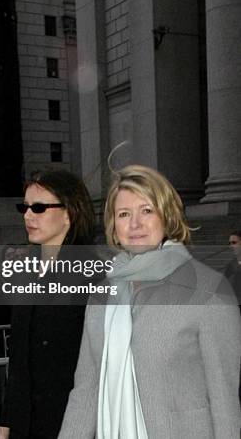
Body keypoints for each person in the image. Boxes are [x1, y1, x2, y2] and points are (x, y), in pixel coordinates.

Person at [59, 165, 241, 438]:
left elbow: (225, 400)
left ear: (167, 217)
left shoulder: (209, 289)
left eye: (147, 210)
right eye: (124, 214)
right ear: (113, 226)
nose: (135, 224)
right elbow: (86, 390)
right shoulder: (102, 295)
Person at [0, 170, 96, 439]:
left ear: (69, 213)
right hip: (25, 424)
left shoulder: (94, 275)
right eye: (25, 207)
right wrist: (6, 426)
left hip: (74, 423)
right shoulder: (24, 271)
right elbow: (19, 360)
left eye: (39, 208)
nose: (28, 216)